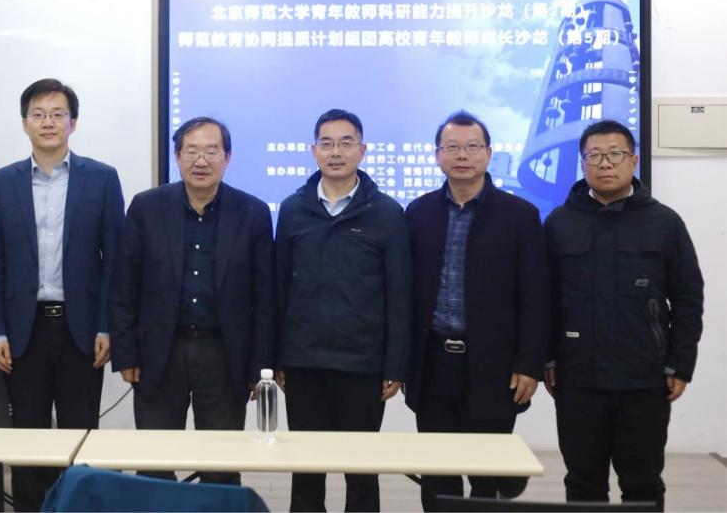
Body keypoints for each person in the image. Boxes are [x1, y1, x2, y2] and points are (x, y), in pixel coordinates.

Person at [544, 120, 703, 511]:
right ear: (582, 163)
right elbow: (543, 300)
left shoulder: (664, 222)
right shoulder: (560, 223)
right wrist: (546, 359)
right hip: (578, 379)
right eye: (594, 155)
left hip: (644, 379)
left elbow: (688, 297)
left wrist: (680, 364)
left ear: (633, 160)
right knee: (583, 485)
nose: (605, 164)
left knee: (643, 485)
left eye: (615, 154)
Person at [0, 79, 125, 511]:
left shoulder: (101, 179)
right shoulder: (1, 182)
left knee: (81, 436)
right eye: (38, 114)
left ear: (72, 123)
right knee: (29, 439)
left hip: (82, 330)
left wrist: (107, 326)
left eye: (57, 114)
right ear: (24, 123)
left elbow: (115, 262)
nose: (48, 122)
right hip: (22, 331)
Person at [110, 116, 274, 485]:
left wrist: (259, 367)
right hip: (159, 353)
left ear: (227, 158)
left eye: (212, 151)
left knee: (220, 466)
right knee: (154, 464)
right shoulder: (146, 207)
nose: (201, 161)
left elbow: (264, 298)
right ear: (177, 156)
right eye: (192, 151)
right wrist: (126, 353)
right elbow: (124, 287)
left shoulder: (252, 213)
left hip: (224, 354)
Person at [404, 110, 548, 511]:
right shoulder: (418, 213)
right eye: (452, 147)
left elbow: (536, 297)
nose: (462, 156)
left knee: (487, 475)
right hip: (433, 362)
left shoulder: (520, 216)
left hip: (495, 367)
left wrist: (530, 364)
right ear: (438, 155)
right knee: (438, 474)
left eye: (472, 147)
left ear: (488, 153)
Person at [275, 109, 411, 512]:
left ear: (362, 151)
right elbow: (278, 289)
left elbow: (399, 294)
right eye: (328, 143)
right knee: (306, 470)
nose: (336, 152)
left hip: (363, 364)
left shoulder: (387, 213)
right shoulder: (293, 209)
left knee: (361, 472)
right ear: (314, 150)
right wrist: (277, 357)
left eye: (346, 143)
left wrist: (395, 364)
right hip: (303, 362)